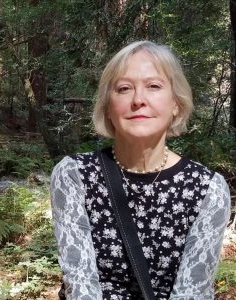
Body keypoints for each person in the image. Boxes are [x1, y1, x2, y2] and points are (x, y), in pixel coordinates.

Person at [50, 41, 231, 300]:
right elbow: (81, 285)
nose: (138, 100)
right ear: (108, 108)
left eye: (154, 86)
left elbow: (193, 292)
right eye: (124, 88)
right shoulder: (74, 176)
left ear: (176, 103)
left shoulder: (208, 189)